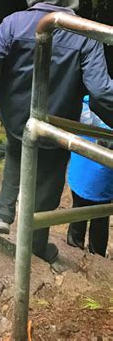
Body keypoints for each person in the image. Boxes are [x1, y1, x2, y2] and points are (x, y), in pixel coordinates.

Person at [0, 0, 113, 264]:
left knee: (16, 153)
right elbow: (102, 92)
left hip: (17, 119)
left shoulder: (13, 23)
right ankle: (36, 243)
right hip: (56, 125)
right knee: (49, 183)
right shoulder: (86, 34)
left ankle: (3, 212)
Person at [67, 96, 113, 257]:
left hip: (81, 166)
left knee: (79, 208)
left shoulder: (87, 100)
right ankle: (97, 255)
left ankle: (73, 248)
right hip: (103, 173)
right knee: (100, 215)